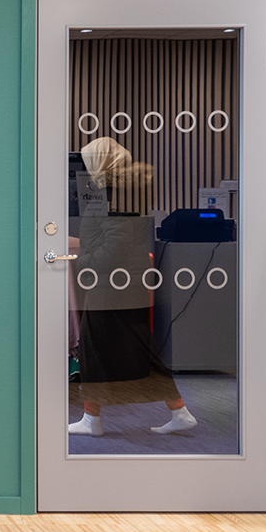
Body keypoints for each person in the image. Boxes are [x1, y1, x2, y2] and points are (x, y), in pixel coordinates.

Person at [66, 136, 197, 437]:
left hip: (113, 282)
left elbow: (115, 244)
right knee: (124, 347)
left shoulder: (116, 193)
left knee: (98, 347)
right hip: (122, 280)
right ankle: (177, 411)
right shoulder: (122, 189)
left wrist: (84, 260)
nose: (86, 166)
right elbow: (112, 237)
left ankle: (92, 420)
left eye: (89, 160)